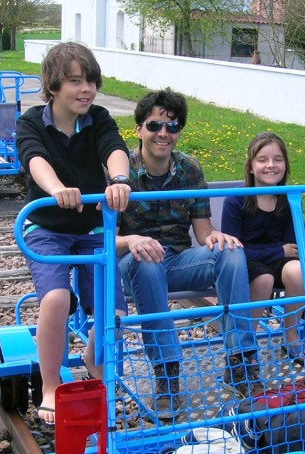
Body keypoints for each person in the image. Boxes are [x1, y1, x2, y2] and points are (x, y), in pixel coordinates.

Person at [116, 88, 261, 418]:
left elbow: (203, 232)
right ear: (138, 129)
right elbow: (102, 239)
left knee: (232, 253)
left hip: (177, 260)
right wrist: (133, 240)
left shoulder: (190, 170)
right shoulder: (119, 172)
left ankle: (240, 361)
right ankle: (167, 374)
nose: (163, 134)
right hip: (132, 263)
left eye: (172, 126)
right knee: (147, 262)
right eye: (154, 126)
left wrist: (217, 238)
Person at [16, 42, 131, 425]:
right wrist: (55, 190)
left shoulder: (97, 118)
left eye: (91, 82)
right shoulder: (32, 121)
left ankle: (94, 364)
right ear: (53, 86)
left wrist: (118, 179)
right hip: (47, 227)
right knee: (56, 300)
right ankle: (50, 385)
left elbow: (114, 149)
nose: (86, 90)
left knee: (112, 310)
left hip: (90, 228)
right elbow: (34, 158)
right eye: (75, 82)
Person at [220, 132, 305, 365]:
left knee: (298, 270)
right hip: (245, 262)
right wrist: (278, 251)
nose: (271, 165)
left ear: (285, 165)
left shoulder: (289, 199)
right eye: (262, 159)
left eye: (278, 159)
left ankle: (290, 336)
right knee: (264, 280)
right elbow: (234, 248)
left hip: (274, 259)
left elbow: (294, 246)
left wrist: (281, 252)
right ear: (250, 167)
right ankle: (243, 348)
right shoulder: (236, 200)